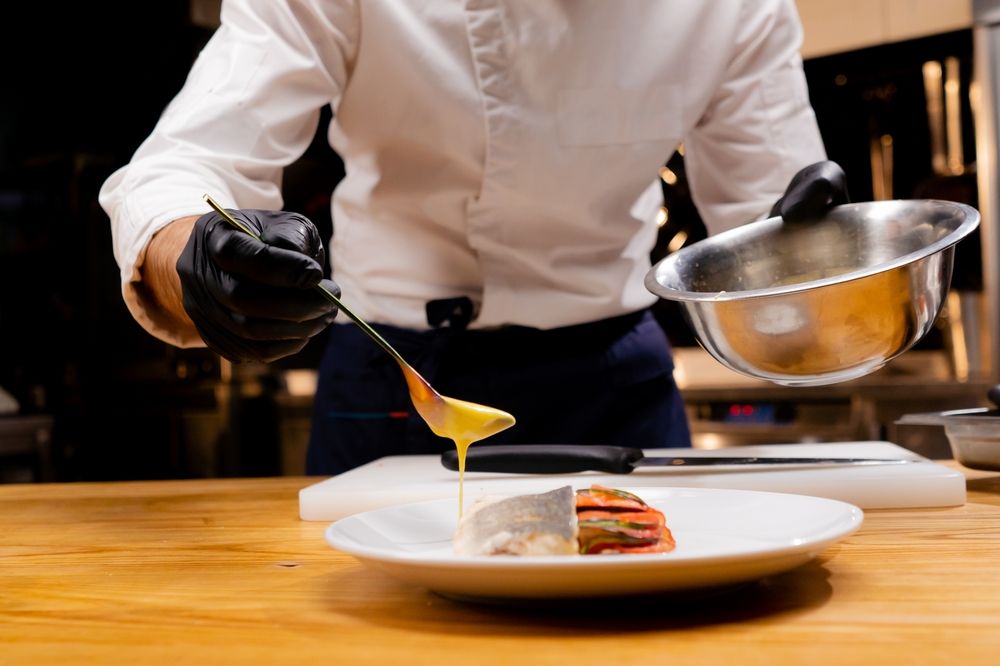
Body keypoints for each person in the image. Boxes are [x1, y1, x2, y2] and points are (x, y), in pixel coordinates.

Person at [99, 0, 848, 475]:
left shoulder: (736, 7)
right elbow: (188, 169)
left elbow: (773, 243)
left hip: (618, 387)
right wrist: (197, 257)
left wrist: (818, 259)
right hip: (399, 378)